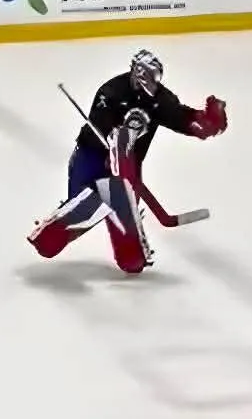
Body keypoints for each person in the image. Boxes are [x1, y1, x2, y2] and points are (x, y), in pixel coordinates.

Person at [27, 49, 228, 274]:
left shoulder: (161, 99)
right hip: (91, 159)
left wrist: (205, 124)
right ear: (135, 73)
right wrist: (118, 150)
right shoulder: (111, 92)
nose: (151, 85)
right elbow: (106, 131)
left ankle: (109, 229)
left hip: (127, 168)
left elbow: (183, 118)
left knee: (132, 261)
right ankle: (51, 229)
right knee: (84, 211)